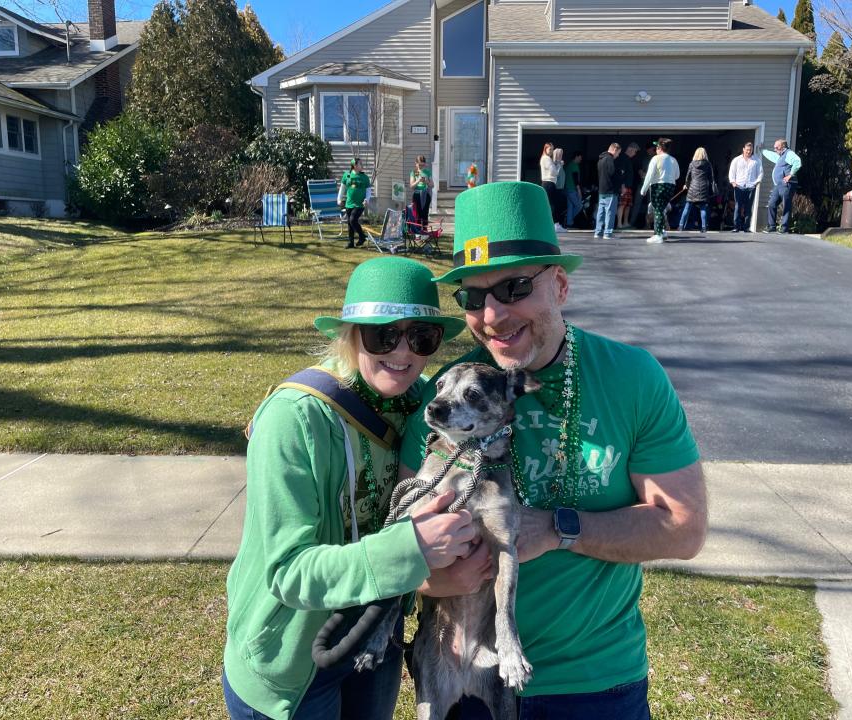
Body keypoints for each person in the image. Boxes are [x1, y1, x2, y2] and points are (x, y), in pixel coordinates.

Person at [399, 181, 707, 720]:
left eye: (515, 287)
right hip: (464, 673)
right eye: (474, 296)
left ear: (560, 285)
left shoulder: (632, 378)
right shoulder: (448, 394)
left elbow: (683, 527)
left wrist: (562, 529)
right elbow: (400, 538)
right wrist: (427, 571)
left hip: (594, 681)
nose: (492, 315)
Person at [222, 256, 472, 720]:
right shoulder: (296, 417)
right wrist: (412, 550)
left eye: (421, 337)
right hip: (292, 661)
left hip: (375, 640)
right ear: (350, 333)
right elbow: (287, 573)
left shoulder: (424, 409)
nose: (403, 353)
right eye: (383, 335)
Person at [639, 138, 680, 244]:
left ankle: (657, 235)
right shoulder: (673, 160)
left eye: (657, 147)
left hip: (658, 186)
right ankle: (662, 231)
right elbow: (677, 175)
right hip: (670, 186)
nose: (656, 149)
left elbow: (649, 175)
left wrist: (644, 189)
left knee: (657, 209)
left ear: (660, 148)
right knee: (662, 209)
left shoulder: (655, 159)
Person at [760, 138, 802, 233]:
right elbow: (771, 155)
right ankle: (771, 226)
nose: (775, 149)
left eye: (776, 147)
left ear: (783, 146)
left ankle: (784, 228)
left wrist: (790, 175)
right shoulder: (780, 156)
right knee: (771, 204)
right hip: (778, 185)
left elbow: (797, 161)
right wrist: (763, 150)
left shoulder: (789, 154)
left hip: (787, 184)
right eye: (774, 147)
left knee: (786, 204)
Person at [678, 147, 716, 233]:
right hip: (703, 187)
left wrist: (686, 185)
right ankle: (704, 228)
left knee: (687, 208)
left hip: (693, 187)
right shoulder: (708, 164)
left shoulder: (692, 164)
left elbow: (688, 176)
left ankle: (681, 226)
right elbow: (711, 177)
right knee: (703, 208)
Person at [728, 141, 762, 233]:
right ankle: (736, 227)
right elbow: (732, 172)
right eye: (747, 150)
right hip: (739, 186)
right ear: (743, 149)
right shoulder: (736, 160)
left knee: (748, 207)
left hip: (751, 187)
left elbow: (760, 172)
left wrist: (756, 183)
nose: (748, 152)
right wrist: (733, 182)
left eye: (750, 150)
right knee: (738, 206)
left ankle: (746, 227)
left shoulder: (756, 161)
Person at [340, 158, 371, 248]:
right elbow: (342, 188)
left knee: (352, 220)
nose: (362, 165)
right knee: (350, 223)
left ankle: (362, 236)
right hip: (349, 203)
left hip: (360, 204)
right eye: (360, 164)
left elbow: (368, 191)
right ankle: (351, 243)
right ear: (355, 166)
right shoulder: (347, 175)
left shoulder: (364, 177)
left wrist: (367, 199)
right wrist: (339, 198)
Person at [594, 142, 621, 240]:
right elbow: (612, 172)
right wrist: (620, 174)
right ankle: (608, 233)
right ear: (614, 150)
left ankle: (598, 232)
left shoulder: (600, 159)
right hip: (610, 189)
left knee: (601, 211)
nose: (617, 156)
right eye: (618, 153)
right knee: (610, 211)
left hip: (602, 189)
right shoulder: (609, 159)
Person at [629, 142, 656, 228]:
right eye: (648, 149)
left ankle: (647, 224)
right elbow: (637, 167)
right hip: (642, 183)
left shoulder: (656, 158)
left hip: (652, 185)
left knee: (650, 205)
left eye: (651, 149)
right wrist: (640, 171)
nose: (649, 151)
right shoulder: (643, 158)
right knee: (636, 203)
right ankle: (631, 223)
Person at [539, 142, 564, 232]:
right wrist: (559, 165)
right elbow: (555, 173)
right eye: (550, 149)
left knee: (550, 204)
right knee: (554, 205)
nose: (551, 151)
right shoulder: (547, 159)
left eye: (552, 149)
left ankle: (551, 224)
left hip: (547, 183)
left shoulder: (545, 159)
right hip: (549, 183)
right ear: (545, 149)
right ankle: (555, 225)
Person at [616, 143, 639, 228]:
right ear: (630, 149)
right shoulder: (622, 158)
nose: (635, 153)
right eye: (635, 151)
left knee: (628, 205)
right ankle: (619, 224)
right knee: (622, 204)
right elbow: (621, 173)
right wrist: (622, 186)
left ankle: (625, 222)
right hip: (624, 186)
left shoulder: (629, 159)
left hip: (629, 186)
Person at [409, 154, 434, 227]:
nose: (421, 167)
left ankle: (424, 231)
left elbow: (432, 185)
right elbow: (411, 186)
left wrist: (426, 181)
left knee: (425, 213)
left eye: (423, 165)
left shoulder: (427, 172)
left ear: (425, 164)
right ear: (416, 163)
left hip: (425, 195)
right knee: (417, 214)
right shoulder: (414, 172)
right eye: (419, 165)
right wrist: (418, 181)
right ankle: (417, 232)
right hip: (417, 195)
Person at [564, 151, 584, 229]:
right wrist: (579, 189)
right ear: (576, 157)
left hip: (567, 189)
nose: (581, 159)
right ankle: (569, 220)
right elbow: (575, 178)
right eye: (580, 157)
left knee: (570, 207)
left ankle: (569, 224)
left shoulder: (569, 165)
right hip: (572, 189)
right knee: (579, 206)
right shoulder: (575, 165)